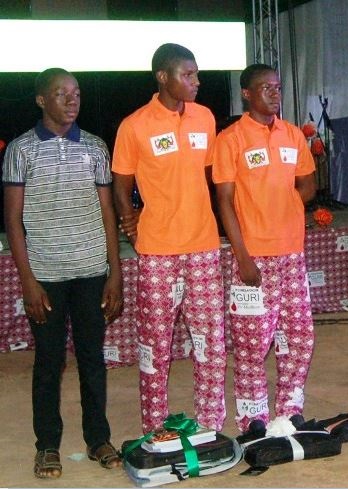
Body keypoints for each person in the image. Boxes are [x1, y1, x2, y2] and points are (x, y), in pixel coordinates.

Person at [2, 68, 123, 478]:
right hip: (47, 278)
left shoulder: (94, 147)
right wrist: (29, 282)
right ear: (41, 100)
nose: (72, 101)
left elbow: (108, 213)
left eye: (76, 94)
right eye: (61, 94)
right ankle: (47, 445)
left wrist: (114, 272)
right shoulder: (20, 150)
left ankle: (98, 439)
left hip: (91, 271)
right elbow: (13, 221)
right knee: (49, 364)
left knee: (92, 359)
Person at [112, 43, 227, 433]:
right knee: (155, 344)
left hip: (204, 247)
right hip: (158, 250)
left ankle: (211, 423)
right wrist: (129, 217)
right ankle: (155, 427)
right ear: (163, 77)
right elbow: (121, 180)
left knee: (211, 341)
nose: (196, 81)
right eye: (188, 75)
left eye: (196, 74)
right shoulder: (135, 125)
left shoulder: (205, 118)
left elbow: (213, 179)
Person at [212, 64, 316, 433]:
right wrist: (242, 257)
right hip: (253, 257)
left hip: (292, 254)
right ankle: (252, 417)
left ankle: (290, 408)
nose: (274, 93)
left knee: (299, 336)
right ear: (246, 94)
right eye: (265, 88)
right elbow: (224, 201)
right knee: (252, 343)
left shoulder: (292, 135)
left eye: (277, 87)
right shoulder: (231, 139)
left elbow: (308, 184)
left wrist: (284, 205)